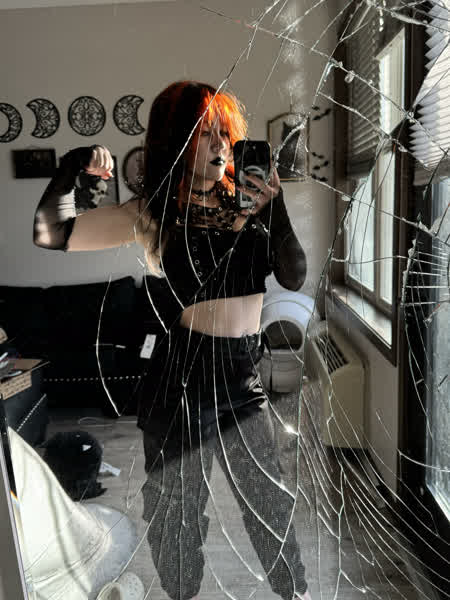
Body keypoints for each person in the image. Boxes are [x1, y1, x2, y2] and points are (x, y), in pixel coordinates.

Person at [33, 80, 311, 600]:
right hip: (183, 379)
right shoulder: (153, 212)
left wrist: (276, 208)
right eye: (206, 133)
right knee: (177, 515)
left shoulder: (252, 203)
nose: (221, 144)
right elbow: (51, 233)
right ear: (177, 140)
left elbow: (293, 276)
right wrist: (70, 166)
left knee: (270, 503)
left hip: (242, 375)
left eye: (225, 133)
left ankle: (296, 593)